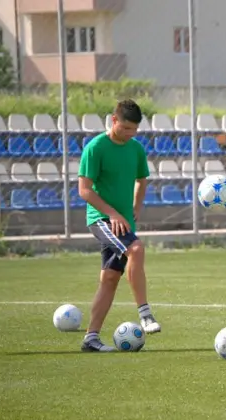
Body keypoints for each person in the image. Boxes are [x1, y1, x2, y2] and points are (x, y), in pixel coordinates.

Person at [77, 99, 161, 352]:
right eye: (125, 128)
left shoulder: (135, 148)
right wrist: (113, 214)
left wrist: (135, 207)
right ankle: (145, 313)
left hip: (124, 222)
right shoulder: (95, 148)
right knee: (136, 249)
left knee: (110, 278)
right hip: (101, 219)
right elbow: (84, 190)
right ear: (114, 120)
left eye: (134, 129)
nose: (130, 134)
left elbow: (141, 180)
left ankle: (91, 339)